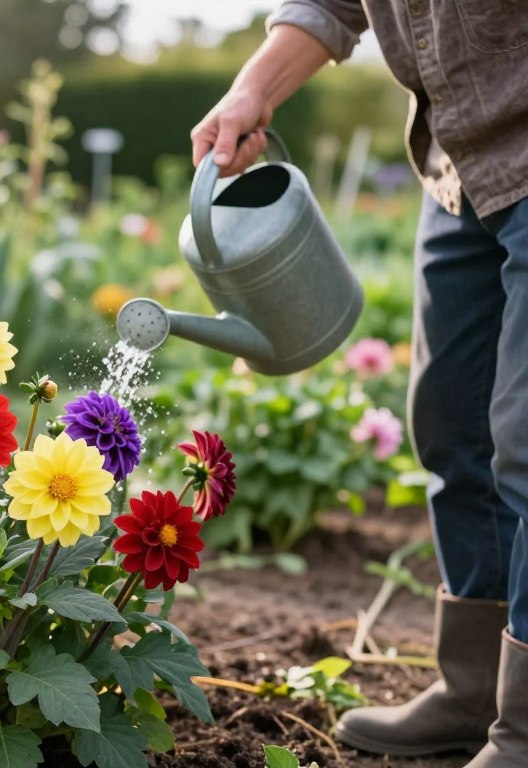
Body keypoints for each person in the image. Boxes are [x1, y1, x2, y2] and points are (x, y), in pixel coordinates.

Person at [190, 3, 528, 765]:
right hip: (459, 168)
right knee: (452, 425)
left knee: (527, 442)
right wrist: (252, 89)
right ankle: (476, 690)